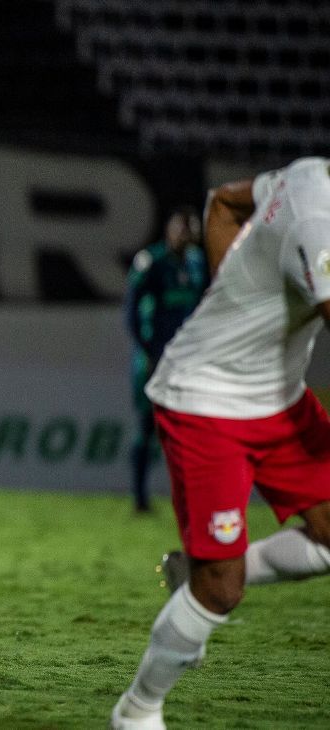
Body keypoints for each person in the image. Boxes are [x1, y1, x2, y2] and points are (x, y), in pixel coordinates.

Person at [110, 157, 330, 730]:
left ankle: (195, 572)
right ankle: (137, 711)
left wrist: (229, 286)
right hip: (205, 399)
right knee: (222, 590)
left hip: (279, 400)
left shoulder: (308, 172)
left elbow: (224, 203)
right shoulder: (318, 222)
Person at [122, 206, 208, 513]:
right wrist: (147, 349)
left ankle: (191, 499)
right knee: (148, 426)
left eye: (193, 229)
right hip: (155, 358)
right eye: (183, 228)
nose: (188, 235)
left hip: (187, 359)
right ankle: (140, 498)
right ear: (170, 230)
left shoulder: (198, 263)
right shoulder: (152, 262)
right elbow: (131, 310)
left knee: (191, 430)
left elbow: (201, 309)